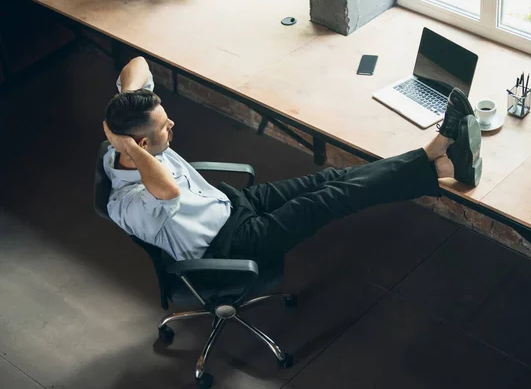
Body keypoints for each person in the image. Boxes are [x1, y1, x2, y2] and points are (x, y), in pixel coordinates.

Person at [103, 57, 482, 265]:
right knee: (335, 197)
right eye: (163, 128)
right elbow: (166, 191)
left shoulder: (124, 143)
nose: (172, 125)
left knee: (333, 178)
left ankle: (438, 161)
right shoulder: (128, 203)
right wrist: (130, 143)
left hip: (232, 204)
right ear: (137, 145)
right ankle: (440, 156)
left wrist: (124, 113)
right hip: (234, 243)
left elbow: (138, 64)